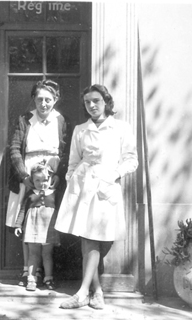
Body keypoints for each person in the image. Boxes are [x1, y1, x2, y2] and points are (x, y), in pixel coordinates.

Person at [54, 84, 138, 309]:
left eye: (96, 101)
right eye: (88, 102)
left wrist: (114, 174)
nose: (91, 105)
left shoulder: (120, 128)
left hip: (106, 186)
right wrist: (73, 177)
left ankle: (85, 292)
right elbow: (72, 161)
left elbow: (131, 160)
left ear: (106, 102)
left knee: (95, 239)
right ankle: (93, 292)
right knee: (87, 238)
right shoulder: (81, 129)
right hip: (81, 187)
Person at [5, 79, 70, 287]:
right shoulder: (25, 119)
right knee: (27, 221)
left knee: (49, 221)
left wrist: (59, 175)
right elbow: (14, 149)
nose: (43, 104)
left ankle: (47, 271)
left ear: (55, 100)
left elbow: (66, 151)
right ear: (34, 99)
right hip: (28, 176)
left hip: (51, 179)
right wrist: (24, 176)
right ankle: (28, 271)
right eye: (40, 99)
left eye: (48, 100)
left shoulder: (61, 120)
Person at [14, 162, 60, 291]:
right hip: (32, 227)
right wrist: (18, 225)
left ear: (51, 179)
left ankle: (48, 278)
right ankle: (31, 278)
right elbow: (23, 209)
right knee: (33, 254)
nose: (42, 183)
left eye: (45, 180)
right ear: (32, 180)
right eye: (37, 180)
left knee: (47, 254)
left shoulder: (54, 193)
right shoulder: (30, 193)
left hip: (48, 227)